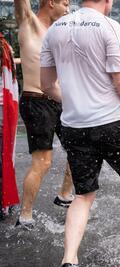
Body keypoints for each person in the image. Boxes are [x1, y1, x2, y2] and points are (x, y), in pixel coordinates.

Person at [40, 0, 120, 267]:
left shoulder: (54, 30)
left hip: (75, 126)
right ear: (107, 1)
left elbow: (46, 85)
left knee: (83, 195)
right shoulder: (107, 25)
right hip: (113, 121)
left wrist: (76, 103)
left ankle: (69, 261)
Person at [14, 0, 73, 230]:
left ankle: (65, 195)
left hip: (58, 101)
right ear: (51, 3)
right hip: (36, 101)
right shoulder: (28, 22)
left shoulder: (56, 32)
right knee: (43, 162)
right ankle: (25, 216)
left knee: (79, 151)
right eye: (65, 3)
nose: (68, 8)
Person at [0, 33, 20, 220]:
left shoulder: (4, 47)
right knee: (4, 155)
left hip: (3, 108)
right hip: (4, 109)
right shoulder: (4, 46)